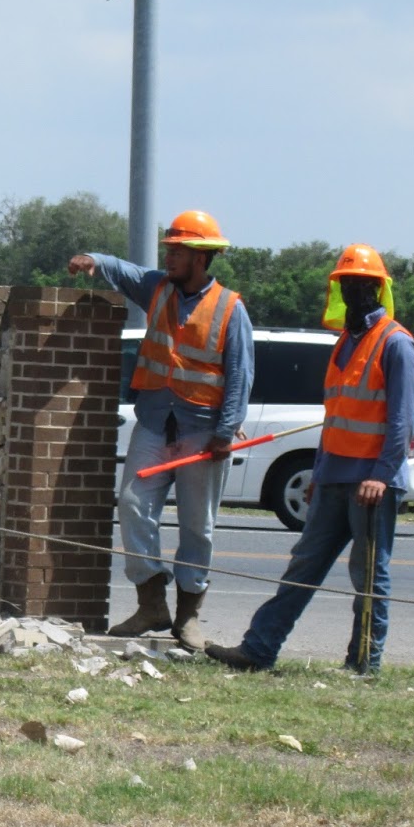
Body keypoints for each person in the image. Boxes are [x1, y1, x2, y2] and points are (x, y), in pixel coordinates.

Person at [206, 244, 414, 675]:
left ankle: (363, 665)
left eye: (363, 285)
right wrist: (320, 473)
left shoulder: (396, 344)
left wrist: (380, 475)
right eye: (347, 284)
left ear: (379, 290)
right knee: (303, 565)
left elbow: (401, 421)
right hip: (335, 476)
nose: (354, 292)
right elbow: (337, 417)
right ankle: (258, 650)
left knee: (369, 577)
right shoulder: (345, 343)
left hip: (372, 485)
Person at [67, 210, 254, 651]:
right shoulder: (158, 288)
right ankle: (152, 602)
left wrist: (226, 432)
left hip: (203, 431)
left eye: (178, 249)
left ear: (201, 257)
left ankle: (188, 618)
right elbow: (121, 269)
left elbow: (240, 375)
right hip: (155, 420)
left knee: (197, 526)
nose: (169, 256)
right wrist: (92, 259)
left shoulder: (231, 308)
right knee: (132, 503)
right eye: (168, 248)